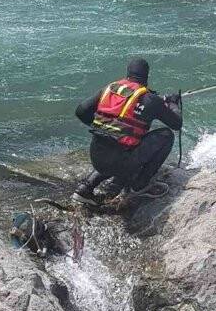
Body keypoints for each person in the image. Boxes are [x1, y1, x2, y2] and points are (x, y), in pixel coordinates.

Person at [72, 57, 182, 206]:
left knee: (112, 144)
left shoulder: (109, 89)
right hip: (121, 163)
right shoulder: (151, 100)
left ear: (127, 74)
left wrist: (101, 124)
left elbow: (81, 111)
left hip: (96, 157)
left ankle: (85, 188)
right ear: (146, 76)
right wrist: (173, 104)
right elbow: (176, 123)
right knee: (166, 135)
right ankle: (139, 185)